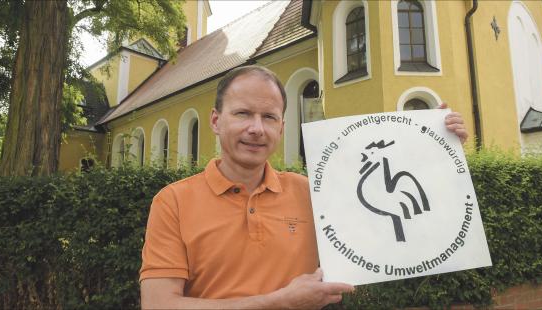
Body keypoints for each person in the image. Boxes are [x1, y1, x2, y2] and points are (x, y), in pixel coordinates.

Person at [139, 66, 468, 309]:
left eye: (269, 117)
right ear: (215, 121)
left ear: (282, 127)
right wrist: (280, 301)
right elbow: (158, 305)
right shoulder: (173, 202)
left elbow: (394, 218)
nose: (256, 128)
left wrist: (435, 143)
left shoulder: (313, 193)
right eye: (242, 113)